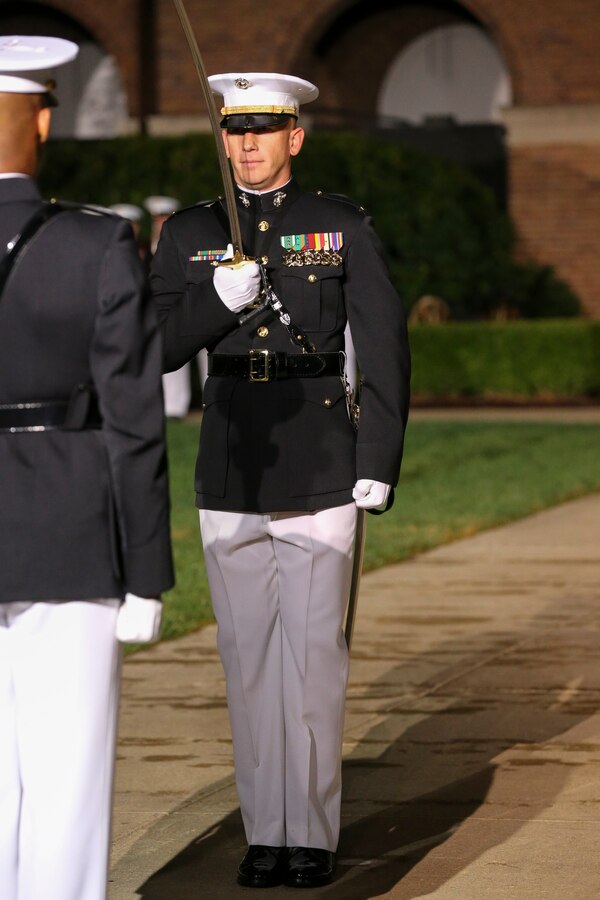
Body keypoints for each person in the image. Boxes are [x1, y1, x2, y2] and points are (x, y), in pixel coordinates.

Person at [151, 72, 410, 888]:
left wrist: (378, 460)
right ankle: (266, 833)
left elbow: (384, 345)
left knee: (314, 659)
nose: (248, 144)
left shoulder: (339, 225)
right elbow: (151, 349)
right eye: (235, 131)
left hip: (322, 458)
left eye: (263, 129)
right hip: (231, 459)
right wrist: (213, 303)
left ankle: (313, 837)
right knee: (248, 661)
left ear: (295, 136)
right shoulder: (188, 232)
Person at [0, 36, 174, 900]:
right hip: (68, 528)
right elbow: (134, 424)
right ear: (41, 121)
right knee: (65, 778)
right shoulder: (96, 243)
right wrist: (147, 573)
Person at [144, 194, 195, 418]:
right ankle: (167, 405)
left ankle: (178, 405)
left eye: (164, 217)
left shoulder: (181, 244)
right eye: (157, 218)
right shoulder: (145, 247)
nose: (160, 222)